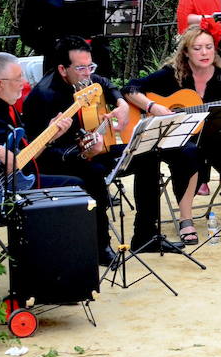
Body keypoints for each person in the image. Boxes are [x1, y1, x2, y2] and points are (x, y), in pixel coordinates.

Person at [22, 37, 186, 257]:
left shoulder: (87, 80)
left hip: (98, 150)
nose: (87, 73)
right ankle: (100, 245)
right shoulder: (43, 97)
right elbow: (39, 154)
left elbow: (106, 84)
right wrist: (82, 154)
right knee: (93, 172)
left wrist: (121, 104)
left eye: (90, 66)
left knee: (148, 154)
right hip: (61, 162)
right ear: (62, 69)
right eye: (80, 67)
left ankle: (146, 236)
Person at [0, 52, 108, 263]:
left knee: (85, 176)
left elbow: (22, 158)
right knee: (77, 188)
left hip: (16, 179)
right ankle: (70, 260)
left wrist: (52, 134)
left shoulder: (3, 104)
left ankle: (85, 255)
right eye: (18, 79)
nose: (23, 83)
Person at [123, 23, 221, 245]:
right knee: (190, 153)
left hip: (209, 138)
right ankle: (185, 219)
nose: (205, 53)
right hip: (169, 140)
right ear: (185, 52)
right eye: (197, 48)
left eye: (209, 47)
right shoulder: (171, 75)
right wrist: (153, 107)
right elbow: (130, 88)